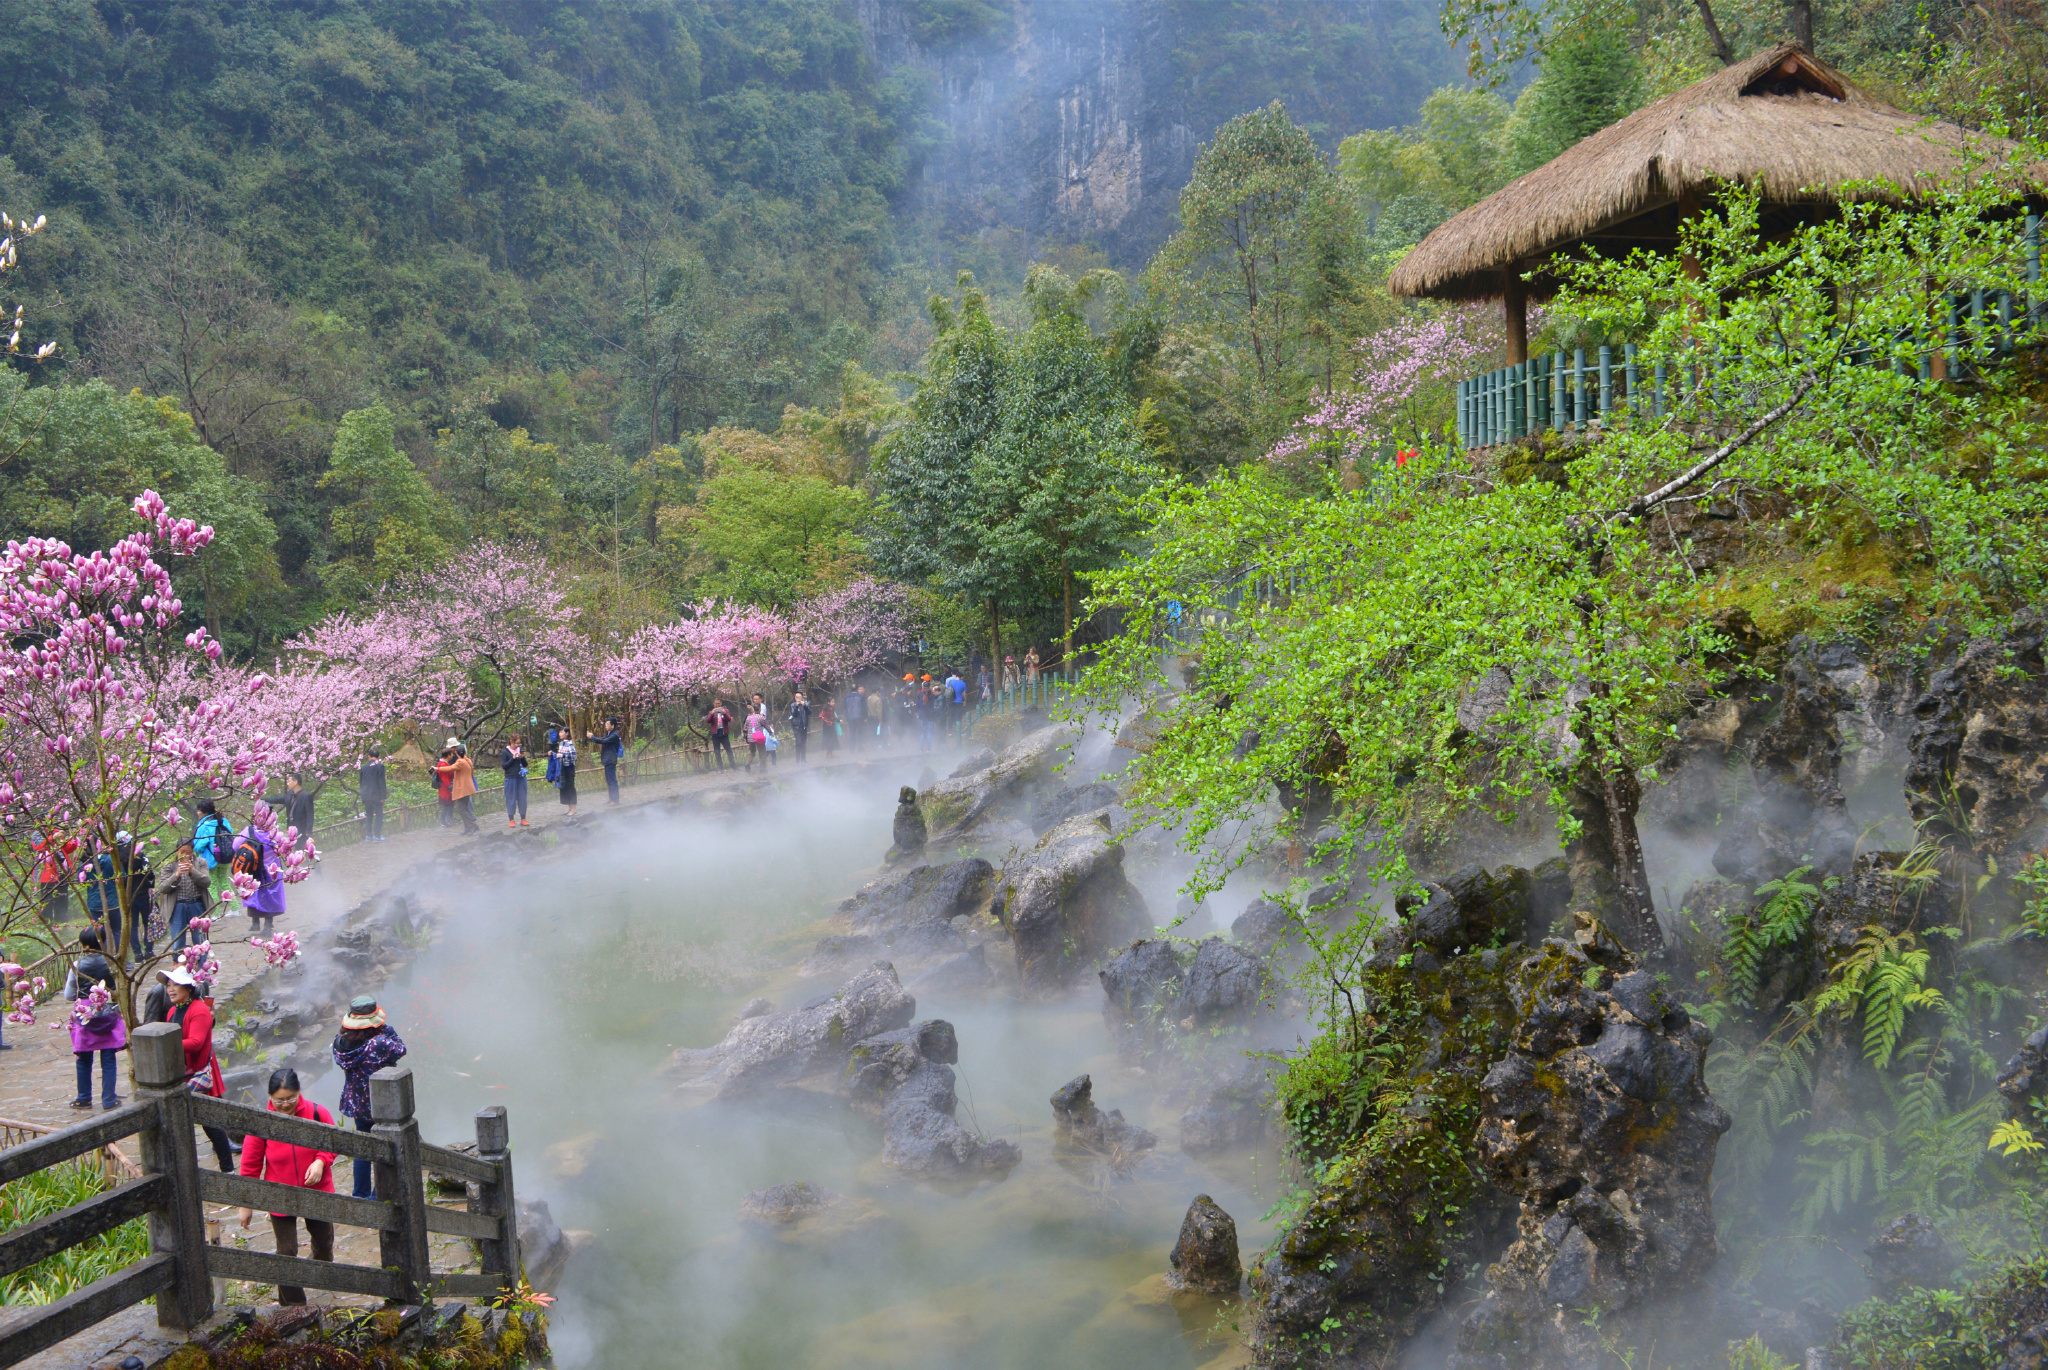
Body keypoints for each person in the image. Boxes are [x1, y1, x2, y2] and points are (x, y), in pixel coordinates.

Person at [236, 1068, 337, 1304]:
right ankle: (293, 1305)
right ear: (270, 1097)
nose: (285, 1104)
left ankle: (311, 1275)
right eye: (279, 1100)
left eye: (291, 1098)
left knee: (324, 1246)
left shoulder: (316, 1112)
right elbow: (250, 1165)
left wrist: (321, 1161)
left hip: (317, 1189)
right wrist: (245, 1205)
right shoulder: (262, 1122)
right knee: (287, 1250)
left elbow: (332, 1141)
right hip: (280, 1192)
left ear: (299, 1093)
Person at [330, 996, 406, 1200]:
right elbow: (400, 1049)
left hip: (357, 1103)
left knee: (363, 1150)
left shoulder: (340, 1044)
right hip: (380, 1104)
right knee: (385, 1148)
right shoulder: (380, 1043)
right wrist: (387, 1031)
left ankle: (360, 1194)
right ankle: (378, 1194)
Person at [167, 967, 237, 1171]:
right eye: (168, 985)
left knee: (210, 1123)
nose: (171, 989)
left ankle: (228, 1169)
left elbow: (196, 1042)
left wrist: (166, 1043)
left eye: (175, 985)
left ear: (188, 987)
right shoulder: (173, 1010)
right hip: (182, 1073)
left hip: (197, 1072)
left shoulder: (199, 1010)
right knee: (205, 1122)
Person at [67, 928, 127, 1110]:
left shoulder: (77, 965)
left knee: (84, 1060)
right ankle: (109, 1099)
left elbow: (69, 994)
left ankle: (83, 1098)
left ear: (84, 945)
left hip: (86, 1015)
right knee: (108, 1059)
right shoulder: (112, 963)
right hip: (108, 1012)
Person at [234, 802, 286, 935]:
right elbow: (283, 848)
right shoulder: (275, 832)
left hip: (252, 868)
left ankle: (255, 923)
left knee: (253, 894)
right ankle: (268, 925)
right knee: (270, 896)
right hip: (271, 871)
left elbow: (235, 846)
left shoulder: (249, 831)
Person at [155, 841, 211, 952]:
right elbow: (162, 888)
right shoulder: (169, 865)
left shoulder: (200, 862)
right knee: (177, 943)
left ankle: (201, 966)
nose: (185, 855)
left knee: (200, 941)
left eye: (188, 852)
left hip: (197, 905)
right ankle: (179, 967)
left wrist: (192, 871)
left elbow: (207, 882)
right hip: (177, 907)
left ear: (192, 851)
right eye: (182, 852)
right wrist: (176, 875)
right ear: (177, 850)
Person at [194, 801, 234, 901]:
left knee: (211, 885)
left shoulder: (204, 825)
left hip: (210, 859)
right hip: (225, 856)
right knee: (223, 881)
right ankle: (235, 908)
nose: (197, 812)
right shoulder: (223, 821)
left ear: (204, 811)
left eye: (199, 810)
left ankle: (215, 913)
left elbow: (200, 845)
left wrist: (195, 849)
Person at [283, 774, 317, 867]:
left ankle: (317, 872)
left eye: (289, 781)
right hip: (293, 831)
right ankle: (304, 870)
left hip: (302, 830)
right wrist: (262, 799)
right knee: (299, 851)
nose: (287, 783)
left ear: (295, 782)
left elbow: (310, 814)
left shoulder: (306, 796)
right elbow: (280, 799)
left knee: (308, 851)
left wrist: (308, 830)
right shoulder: (290, 795)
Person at [445, 742, 479, 834]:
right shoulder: (468, 760)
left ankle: (472, 826)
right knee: (464, 808)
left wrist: (438, 768)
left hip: (462, 788)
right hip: (468, 787)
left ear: (456, 752)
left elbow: (450, 768)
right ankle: (468, 827)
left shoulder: (460, 762)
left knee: (461, 809)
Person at [592, 717, 624, 803]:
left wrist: (592, 737)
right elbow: (602, 739)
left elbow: (604, 741)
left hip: (611, 759)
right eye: (605, 724)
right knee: (609, 779)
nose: (605, 725)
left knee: (612, 780)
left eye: (607, 724)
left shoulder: (614, 735)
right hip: (607, 759)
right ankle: (611, 798)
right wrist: (592, 738)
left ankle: (615, 799)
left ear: (612, 726)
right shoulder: (609, 733)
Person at [358, 749, 387, 843]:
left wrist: (363, 796)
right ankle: (377, 836)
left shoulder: (363, 767)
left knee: (369, 815)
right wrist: (383, 796)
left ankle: (368, 836)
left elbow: (361, 783)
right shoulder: (380, 766)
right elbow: (381, 782)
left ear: (369, 756)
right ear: (378, 757)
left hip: (366, 796)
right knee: (379, 815)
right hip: (376, 796)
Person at [501, 737, 530, 826]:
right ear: (511, 741)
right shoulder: (505, 752)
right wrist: (512, 758)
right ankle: (511, 819)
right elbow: (504, 766)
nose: (517, 745)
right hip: (511, 778)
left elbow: (525, 764)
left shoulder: (519, 750)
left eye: (519, 743)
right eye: (516, 743)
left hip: (521, 778)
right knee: (511, 799)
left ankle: (523, 818)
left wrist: (522, 758)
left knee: (522, 798)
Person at [704, 699, 736, 770]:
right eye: (716, 704)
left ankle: (733, 766)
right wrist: (712, 713)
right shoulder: (711, 712)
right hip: (715, 733)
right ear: (713, 704)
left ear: (721, 704)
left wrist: (724, 713)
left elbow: (729, 719)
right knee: (717, 751)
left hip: (724, 732)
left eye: (718, 703)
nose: (717, 705)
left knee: (728, 750)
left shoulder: (726, 711)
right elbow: (708, 721)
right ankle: (720, 767)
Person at [434, 742, 457, 827]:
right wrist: (451, 787)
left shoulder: (441, 764)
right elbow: (445, 779)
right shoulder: (443, 765)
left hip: (445, 789)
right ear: (448, 755)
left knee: (447, 805)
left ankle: (445, 821)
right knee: (445, 806)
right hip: (445, 789)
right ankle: (443, 821)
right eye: (451, 754)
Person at [556, 734, 579, 815]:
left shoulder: (570, 743)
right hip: (563, 768)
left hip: (569, 768)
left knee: (570, 787)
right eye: (560, 732)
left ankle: (573, 809)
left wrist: (563, 755)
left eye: (562, 732)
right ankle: (569, 808)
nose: (560, 734)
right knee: (565, 787)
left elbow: (574, 756)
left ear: (566, 733)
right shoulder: (561, 743)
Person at [744, 699, 768, 771]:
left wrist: (746, 737)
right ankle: (762, 769)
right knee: (762, 753)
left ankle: (747, 763)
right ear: (760, 709)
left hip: (751, 738)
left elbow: (745, 728)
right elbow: (766, 726)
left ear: (753, 709)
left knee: (752, 752)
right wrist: (771, 733)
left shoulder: (748, 717)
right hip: (759, 738)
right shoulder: (761, 717)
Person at [840, 686, 865, 753]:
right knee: (860, 733)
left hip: (850, 718)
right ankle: (860, 748)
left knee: (852, 733)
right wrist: (864, 717)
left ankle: (851, 749)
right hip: (859, 718)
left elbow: (845, 709)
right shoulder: (861, 697)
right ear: (857, 689)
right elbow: (863, 708)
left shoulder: (846, 698)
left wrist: (846, 717)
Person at [788, 692, 811, 763]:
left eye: (799, 697)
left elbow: (809, 713)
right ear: (795, 698)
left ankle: (803, 759)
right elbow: (793, 714)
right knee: (798, 742)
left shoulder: (806, 704)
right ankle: (797, 759)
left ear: (802, 697)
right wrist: (797, 706)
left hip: (804, 726)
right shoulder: (793, 705)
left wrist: (804, 706)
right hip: (796, 727)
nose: (798, 699)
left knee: (803, 743)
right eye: (796, 697)